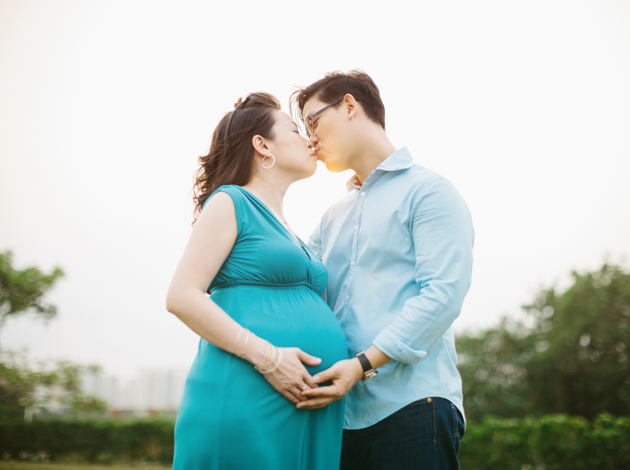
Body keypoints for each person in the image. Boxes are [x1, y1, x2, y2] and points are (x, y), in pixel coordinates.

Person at [291, 71, 475, 470]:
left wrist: (361, 365)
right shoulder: (330, 217)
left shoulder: (429, 192)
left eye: (313, 121)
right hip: (340, 418)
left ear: (350, 106)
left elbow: (442, 295)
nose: (311, 139)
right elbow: (297, 285)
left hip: (414, 405)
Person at [166, 92, 348, 469]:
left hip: (306, 405)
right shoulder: (230, 202)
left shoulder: (291, 231)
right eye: (295, 130)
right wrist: (269, 358)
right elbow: (182, 296)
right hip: (250, 393)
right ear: (262, 144)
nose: (309, 139)